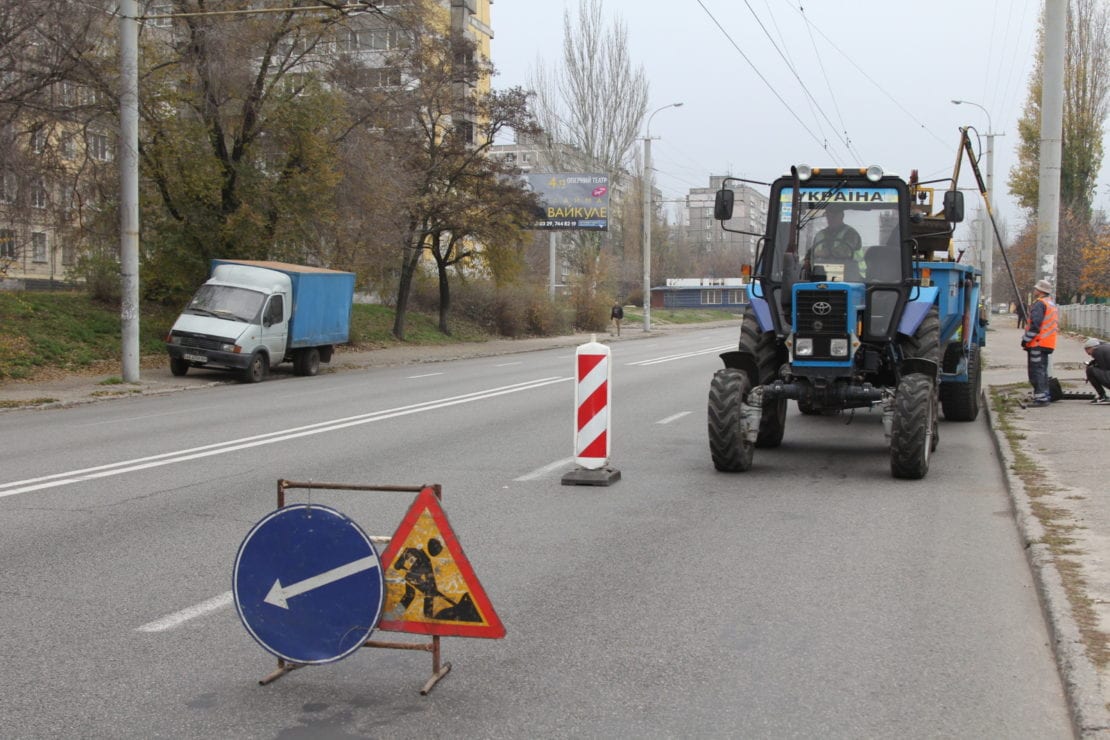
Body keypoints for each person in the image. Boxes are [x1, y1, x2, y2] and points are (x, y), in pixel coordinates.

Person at [1021, 278, 1058, 407]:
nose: (1034, 290)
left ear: (1041, 291)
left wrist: (1025, 340)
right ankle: (1044, 395)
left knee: (1036, 371)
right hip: (1047, 343)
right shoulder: (1051, 303)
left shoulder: (1040, 304)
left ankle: (1041, 398)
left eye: (1036, 289)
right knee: (1042, 369)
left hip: (1037, 343)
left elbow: (1035, 326)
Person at [811, 204, 864, 279]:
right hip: (821, 275)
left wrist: (823, 253)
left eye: (834, 216)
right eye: (829, 215)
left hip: (850, 277)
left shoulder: (851, 233)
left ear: (841, 216)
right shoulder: (820, 234)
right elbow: (811, 254)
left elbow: (844, 252)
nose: (831, 218)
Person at [1083, 337, 1110, 405]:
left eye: (1088, 352)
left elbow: (1104, 368)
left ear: (1089, 348)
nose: (1090, 355)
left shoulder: (1097, 351)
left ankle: (1103, 396)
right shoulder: (1106, 347)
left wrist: (1090, 367)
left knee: (1090, 370)